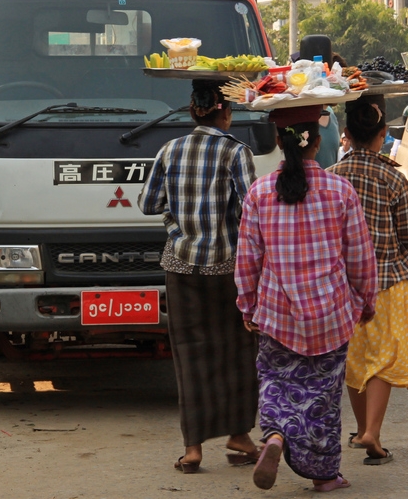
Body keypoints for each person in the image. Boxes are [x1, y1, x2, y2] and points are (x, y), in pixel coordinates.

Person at [234, 104, 378, 492]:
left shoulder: (260, 192)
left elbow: (247, 259)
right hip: (331, 314)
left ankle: (276, 435)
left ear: (280, 142)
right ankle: (324, 475)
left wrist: (247, 305)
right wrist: (366, 302)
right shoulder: (340, 191)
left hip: (277, 314)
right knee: (323, 395)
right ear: (317, 142)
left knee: (276, 381)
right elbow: (360, 257)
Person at [138, 79, 260, 474]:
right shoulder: (236, 152)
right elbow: (251, 210)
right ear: (225, 112)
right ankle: (239, 437)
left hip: (180, 266)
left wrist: (177, 219)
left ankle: (192, 449)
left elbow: (148, 204)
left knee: (190, 355)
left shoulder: (169, 151)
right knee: (237, 352)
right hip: (226, 267)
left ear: (193, 110)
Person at [327, 95, 408, 466]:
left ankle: (359, 428)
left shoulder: (332, 178)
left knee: (355, 359)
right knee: (383, 358)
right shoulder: (393, 176)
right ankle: (373, 433)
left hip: (343, 285)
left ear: (346, 134)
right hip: (387, 282)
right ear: (383, 134)